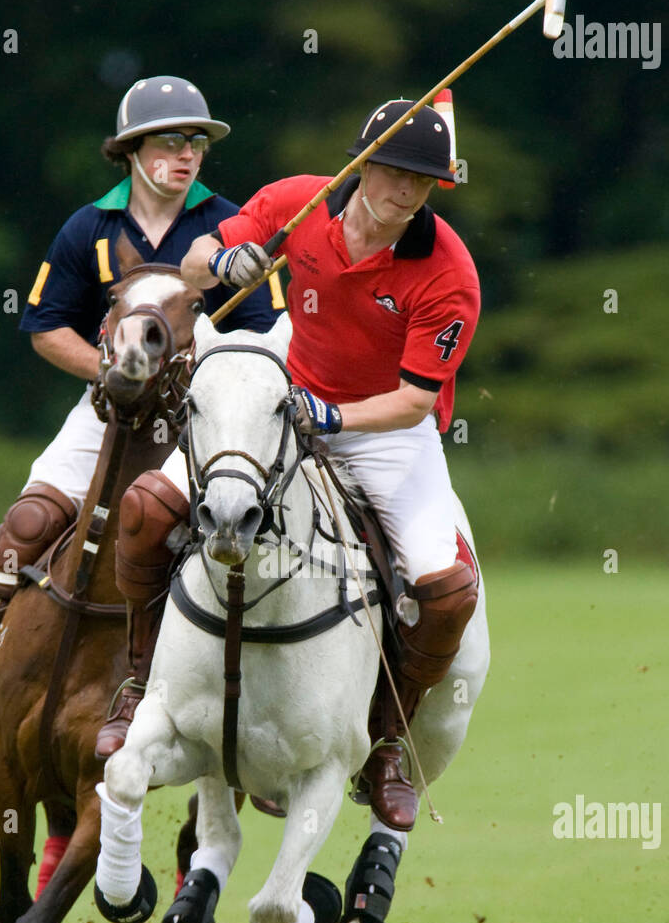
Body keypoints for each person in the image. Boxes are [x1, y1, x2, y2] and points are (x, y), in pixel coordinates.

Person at [116, 98, 482, 832]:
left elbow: (414, 401)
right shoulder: (299, 202)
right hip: (285, 399)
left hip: (384, 430)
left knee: (444, 592)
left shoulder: (448, 271)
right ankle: (137, 684)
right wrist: (221, 260)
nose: (406, 193)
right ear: (361, 166)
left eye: (422, 181)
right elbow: (191, 265)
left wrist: (333, 417)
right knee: (149, 510)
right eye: (394, 173)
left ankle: (384, 744)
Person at [0, 76, 278, 745]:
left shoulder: (232, 224)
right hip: (108, 409)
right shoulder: (88, 227)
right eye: (171, 141)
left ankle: (258, 720)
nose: (187, 154)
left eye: (196, 142)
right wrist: (114, 372)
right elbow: (46, 325)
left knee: (253, 547)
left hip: (202, 416)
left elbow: (268, 337)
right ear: (132, 152)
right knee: (24, 524)